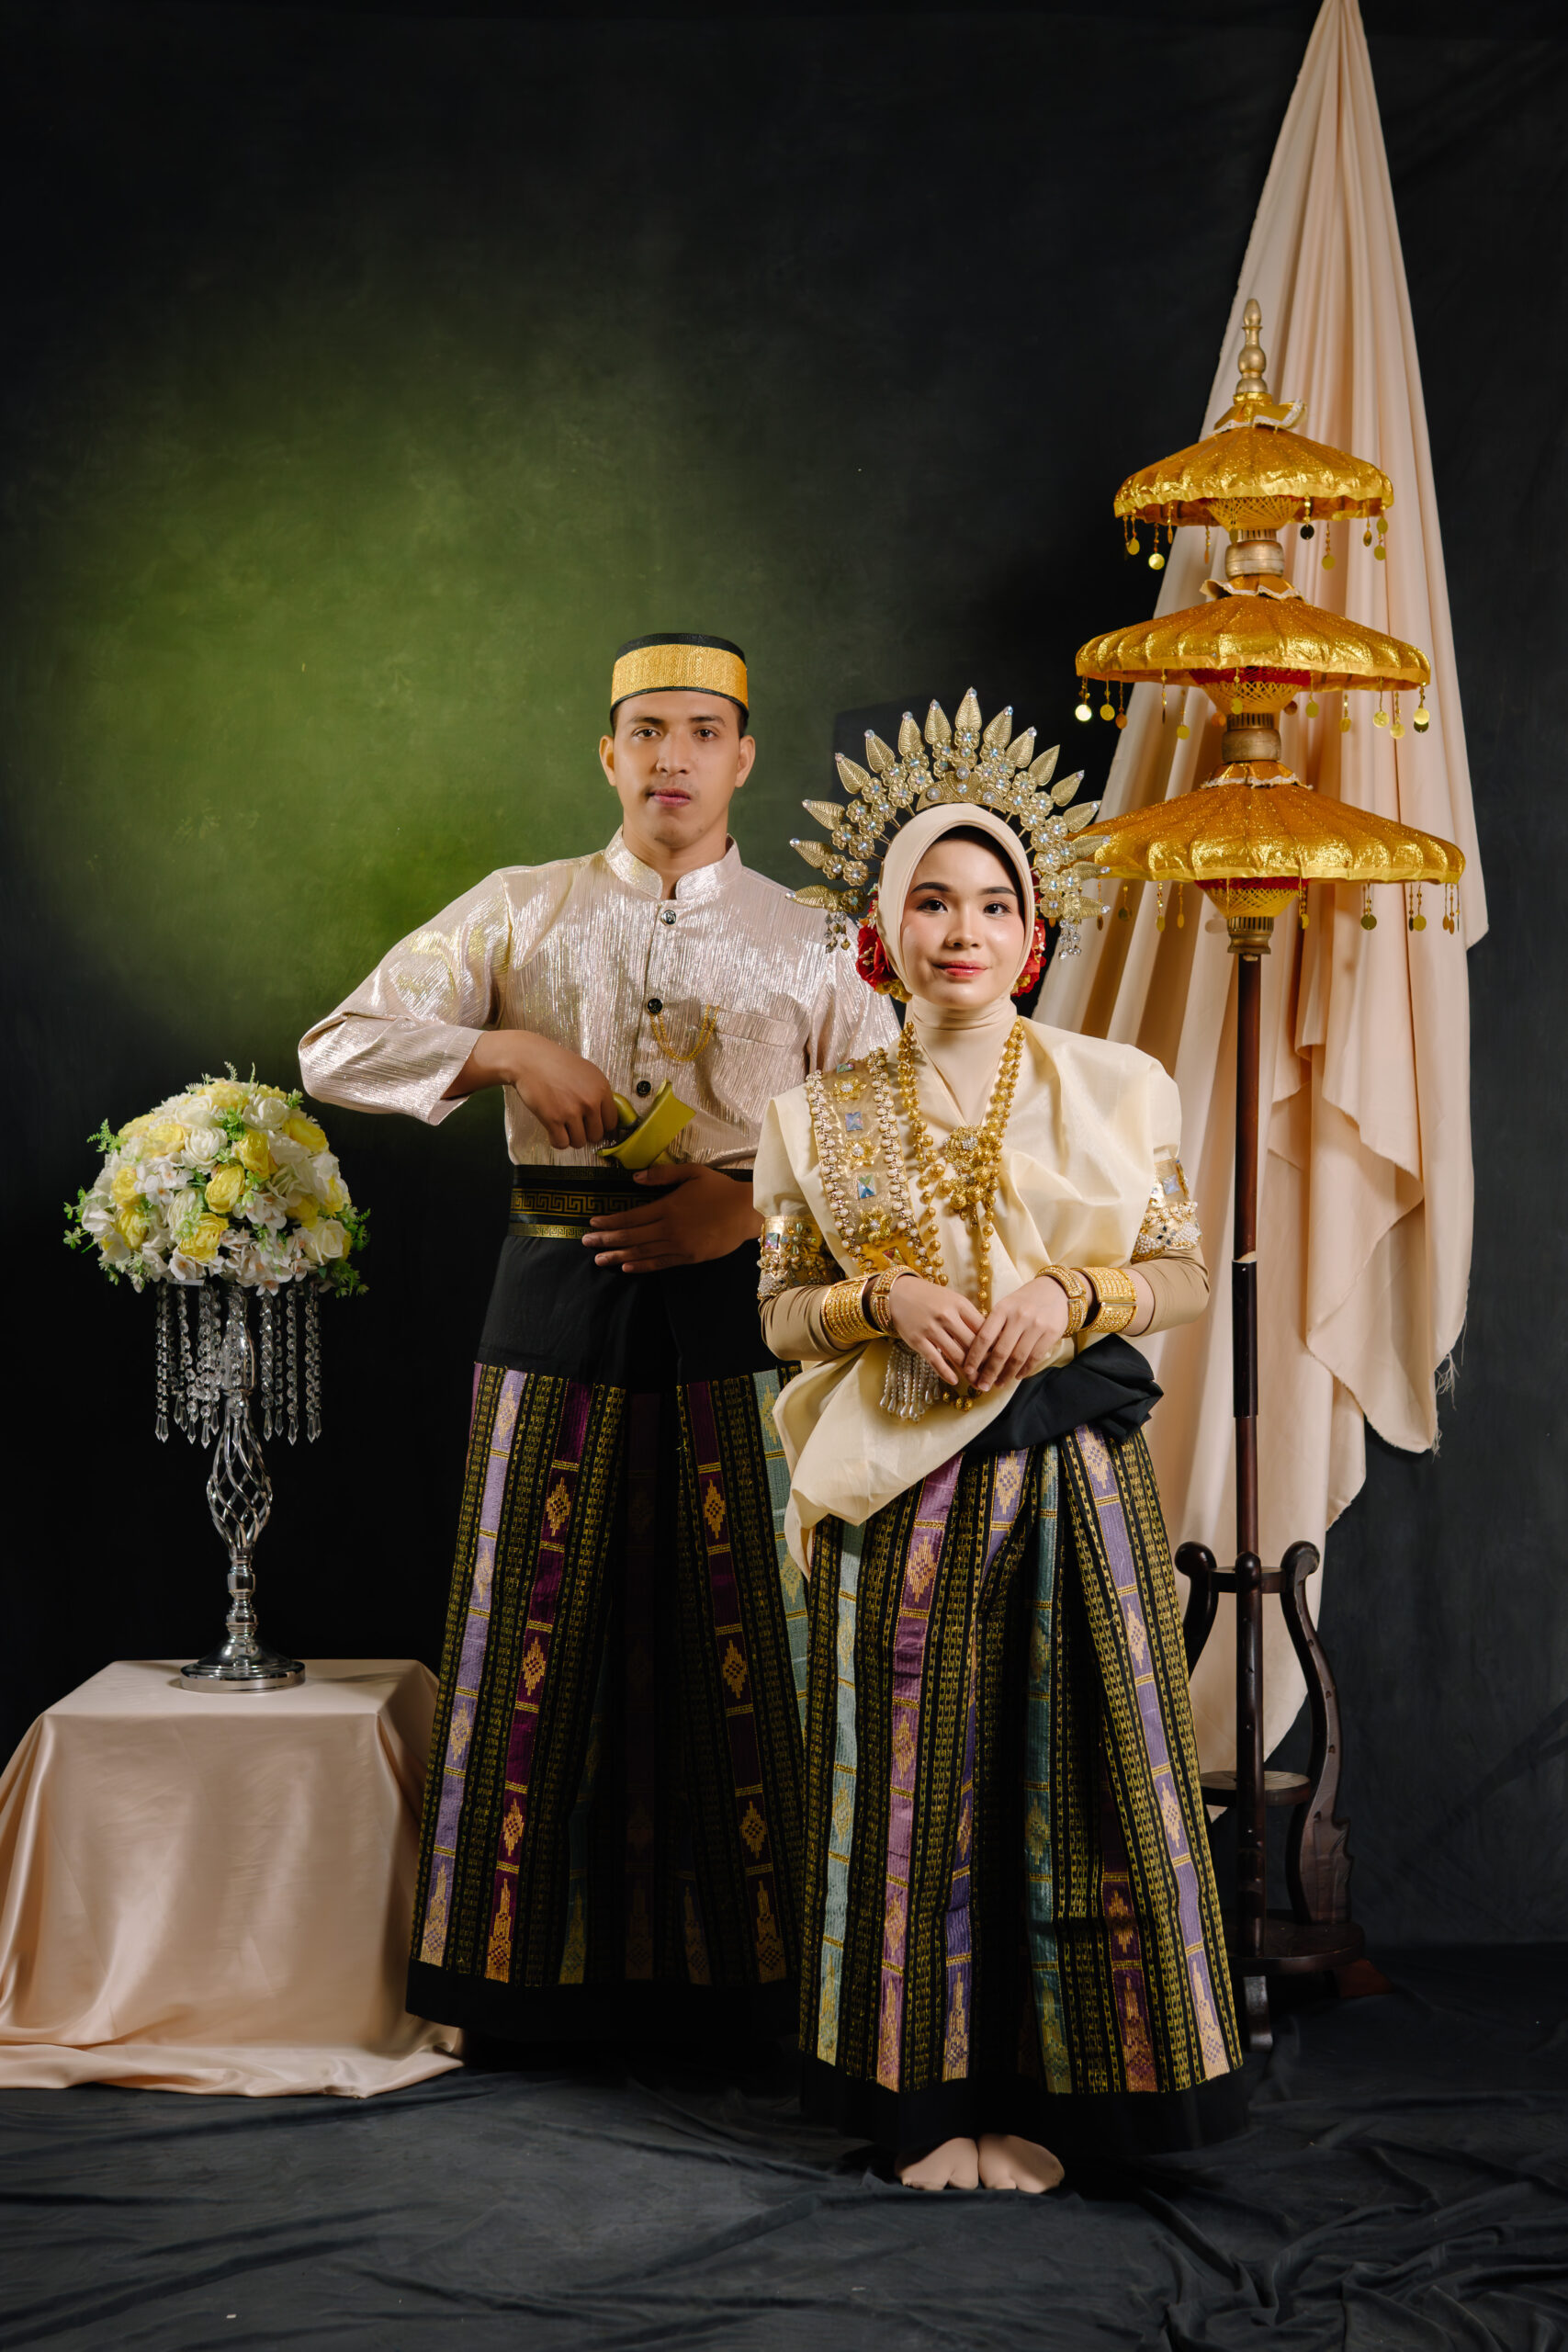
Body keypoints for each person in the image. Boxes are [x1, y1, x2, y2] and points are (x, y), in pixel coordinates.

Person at [299, 633, 897, 2054]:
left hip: (746, 1299)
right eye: (647, 731)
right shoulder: (521, 910)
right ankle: (510, 1990)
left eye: (703, 731)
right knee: (535, 1615)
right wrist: (501, 1051)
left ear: (744, 758)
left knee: (755, 1615)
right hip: (553, 1290)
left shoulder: (817, 938)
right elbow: (335, 1047)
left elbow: (894, 1141)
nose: (672, 757)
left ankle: (763, 1996)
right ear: (608, 755)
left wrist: (748, 1212)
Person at [752, 694, 1244, 2189]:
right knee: (912, 1791)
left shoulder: (1119, 1084)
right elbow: (779, 1312)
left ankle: (1077, 2106)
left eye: (991, 903)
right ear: (879, 929)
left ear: (1033, 933)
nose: (961, 929)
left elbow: (1180, 1273)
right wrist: (882, 1299)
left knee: (1080, 1776)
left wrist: (1068, 1296)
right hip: (895, 1483)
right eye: (931, 900)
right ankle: (925, 2113)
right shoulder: (816, 1115)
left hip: (1072, 1475)